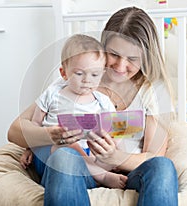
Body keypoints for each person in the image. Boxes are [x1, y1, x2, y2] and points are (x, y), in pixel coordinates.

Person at [8, 6, 178, 206]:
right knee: (64, 156)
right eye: (114, 54)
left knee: (163, 167)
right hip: (77, 168)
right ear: (103, 48)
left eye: (132, 59)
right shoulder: (79, 76)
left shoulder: (153, 92)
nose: (120, 66)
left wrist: (115, 157)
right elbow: (15, 131)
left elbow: (153, 156)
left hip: (126, 175)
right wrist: (51, 135)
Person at [20, 34, 128, 189]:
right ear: (64, 73)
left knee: (103, 148)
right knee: (67, 147)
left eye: (94, 74)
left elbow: (117, 132)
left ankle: (95, 172)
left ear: (102, 74)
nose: (87, 80)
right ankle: (101, 176)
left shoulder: (103, 102)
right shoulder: (52, 94)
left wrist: (117, 155)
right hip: (51, 152)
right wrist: (28, 148)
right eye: (79, 73)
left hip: (88, 155)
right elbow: (35, 124)